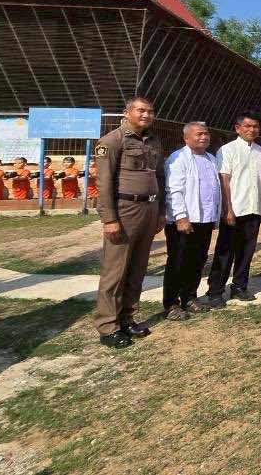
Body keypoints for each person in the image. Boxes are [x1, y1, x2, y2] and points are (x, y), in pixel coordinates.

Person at [93, 96, 165, 348]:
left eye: (150, 111)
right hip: (125, 210)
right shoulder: (112, 141)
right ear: (126, 113)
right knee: (116, 270)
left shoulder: (153, 140)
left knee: (137, 268)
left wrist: (161, 211)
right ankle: (108, 326)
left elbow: (159, 176)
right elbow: (104, 182)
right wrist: (109, 219)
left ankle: (127, 317)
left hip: (149, 208)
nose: (146, 115)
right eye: (141, 110)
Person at [206, 111, 261, 307]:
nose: (252, 129)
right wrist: (228, 210)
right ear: (237, 128)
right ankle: (215, 290)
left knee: (246, 252)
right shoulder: (227, 150)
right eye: (247, 126)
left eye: (255, 126)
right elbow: (224, 179)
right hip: (234, 209)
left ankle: (239, 286)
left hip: (253, 209)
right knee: (225, 251)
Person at [162, 122, 220, 321]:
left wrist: (214, 216)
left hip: (204, 219)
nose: (204, 137)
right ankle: (171, 303)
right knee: (178, 262)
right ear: (186, 138)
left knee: (197, 260)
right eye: (199, 134)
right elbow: (173, 190)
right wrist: (180, 217)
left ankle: (189, 297)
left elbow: (213, 190)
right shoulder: (178, 158)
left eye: (206, 133)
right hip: (184, 221)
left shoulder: (211, 159)